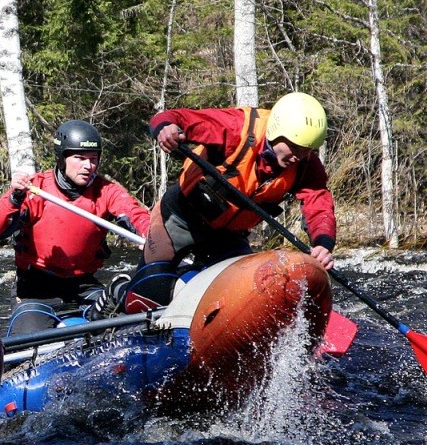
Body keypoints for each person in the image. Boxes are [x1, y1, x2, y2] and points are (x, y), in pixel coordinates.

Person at [125, 92, 337, 313]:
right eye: (294, 148)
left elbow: (318, 203)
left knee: (247, 294)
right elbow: (175, 118)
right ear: (276, 132)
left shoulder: (306, 165)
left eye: (306, 150)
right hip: (181, 218)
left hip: (229, 237)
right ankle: (116, 300)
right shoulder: (236, 128)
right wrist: (166, 127)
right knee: (149, 286)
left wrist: (323, 243)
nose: (299, 156)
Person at [0, 120, 151, 335]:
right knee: (26, 345)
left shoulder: (106, 191)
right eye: (80, 158)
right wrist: (14, 198)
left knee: (130, 321)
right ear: (62, 158)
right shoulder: (35, 189)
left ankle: (101, 315)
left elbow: (135, 215)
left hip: (83, 286)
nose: (88, 166)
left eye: (93, 159)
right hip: (36, 289)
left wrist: (150, 235)